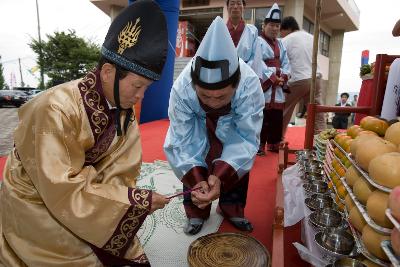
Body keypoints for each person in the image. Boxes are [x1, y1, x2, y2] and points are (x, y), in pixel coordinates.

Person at [0, 1, 170, 266]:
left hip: (81, 191)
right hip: (37, 193)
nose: (140, 96)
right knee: (77, 256)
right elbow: (59, 186)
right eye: (137, 85)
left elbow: (121, 170)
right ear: (107, 72)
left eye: (146, 88)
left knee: (129, 252)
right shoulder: (55, 107)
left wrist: (127, 203)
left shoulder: (124, 108)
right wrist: (134, 201)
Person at [164, 17, 264, 235]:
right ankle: (195, 212)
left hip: (233, 124)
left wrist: (220, 175)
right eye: (205, 95)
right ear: (193, 85)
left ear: (236, 85)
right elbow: (182, 139)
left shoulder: (249, 84)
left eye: (221, 96)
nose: (212, 102)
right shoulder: (182, 88)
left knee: (234, 164)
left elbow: (246, 136)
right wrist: (197, 177)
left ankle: (232, 207)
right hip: (198, 122)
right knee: (194, 169)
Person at [280, 16, 326, 136]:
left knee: (284, 109)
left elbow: (281, 61)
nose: (281, 34)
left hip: (298, 79)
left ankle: (278, 138)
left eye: (281, 31)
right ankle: (321, 141)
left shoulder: (285, 40)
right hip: (316, 78)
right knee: (317, 112)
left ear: (287, 28)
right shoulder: (311, 37)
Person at [257, 3, 290, 155]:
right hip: (265, 85)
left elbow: (286, 63)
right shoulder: (257, 41)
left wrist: (282, 76)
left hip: (277, 87)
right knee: (262, 117)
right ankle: (259, 145)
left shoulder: (281, 44)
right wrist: (272, 75)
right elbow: (257, 63)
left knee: (276, 117)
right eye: (272, 25)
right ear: (264, 25)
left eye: (277, 26)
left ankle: (274, 143)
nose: (275, 28)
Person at [226, 0, 262, 75]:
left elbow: (255, 57)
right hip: (225, 74)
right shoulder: (220, 29)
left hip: (246, 74)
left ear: (244, 7)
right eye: (232, 3)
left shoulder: (252, 30)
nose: (235, 7)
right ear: (227, 7)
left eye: (239, 3)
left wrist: (243, 70)